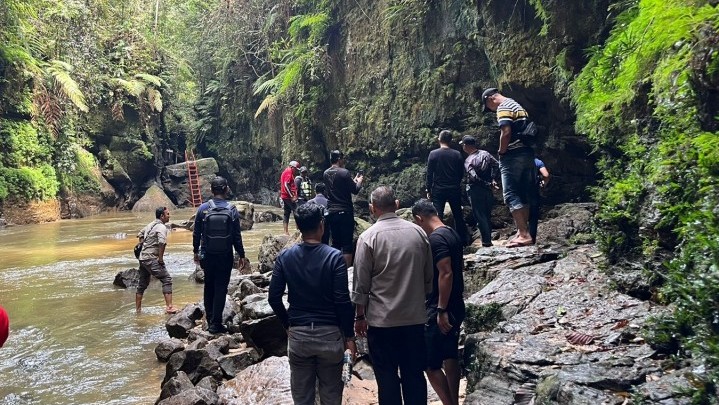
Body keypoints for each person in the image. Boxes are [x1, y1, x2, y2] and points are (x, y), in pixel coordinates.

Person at [268, 203, 357, 405]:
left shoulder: (285, 256)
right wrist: (349, 336)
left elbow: (274, 297)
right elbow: (342, 301)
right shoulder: (334, 257)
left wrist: (287, 324)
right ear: (321, 225)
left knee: (302, 398)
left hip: (299, 336)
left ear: (298, 228)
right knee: (331, 396)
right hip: (330, 335)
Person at [352, 186, 433, 405]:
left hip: (381, 322)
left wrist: (360, 316)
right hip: (414, 320)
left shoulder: (368, 237)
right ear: (396, 204)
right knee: (415, 376)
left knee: (386, 379)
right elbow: (428, 279)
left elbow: (361, 283)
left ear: (372, 208)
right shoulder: (418, 233)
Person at [411, 199, 465, 405]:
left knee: (431, 365)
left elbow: (446, 272)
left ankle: (448, 403)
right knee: (450, 356)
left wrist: (441, 309)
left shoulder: (436, 239)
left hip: (441, 307)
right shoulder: (451, 233)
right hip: (456, 303)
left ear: (419, 218)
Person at [193, 176, 250, 334]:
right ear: (226, 189)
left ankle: (210, 318)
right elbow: (236, 236)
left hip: (207, 254)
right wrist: (241, 254)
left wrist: (195, 252)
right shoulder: (231, 209)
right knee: (220, 287)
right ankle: (216, 323)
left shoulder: (203, 209)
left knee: (209, 285)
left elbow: (196, 234)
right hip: (225, 255)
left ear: (211, 190)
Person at [482, 87, 536, 247]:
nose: (491, 111)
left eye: (488, 107)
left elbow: (506, 131)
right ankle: (522, 231)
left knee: (511, 194)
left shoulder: (503, 107)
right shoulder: (516, 105)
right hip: (527, 152)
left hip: (512, 154)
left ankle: (524, 234)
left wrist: (501, 151)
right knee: (522, 193)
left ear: (491, 98)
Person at [426, 130, 469, 246]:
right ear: (450, 140)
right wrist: (457, 183)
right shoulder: (457, 154)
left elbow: (429, 174)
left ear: (439, 139)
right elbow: (461, 172)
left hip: (438, 189)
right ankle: (463, 241)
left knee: (437, 215)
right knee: (458, 215)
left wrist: (428, 189)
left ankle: (438, 241)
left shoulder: (433, 154)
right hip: (454, 188)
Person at [323, 150, 363, 266]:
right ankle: (345, 272)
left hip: (331, 211)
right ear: (339, 159)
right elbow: (355, 190)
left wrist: (353, 180)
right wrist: (359, 181)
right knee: (346, 244)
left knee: (335, 242)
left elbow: (339, 186)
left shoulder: (325, 173)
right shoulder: (344, 172)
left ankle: (334, 268)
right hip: (345, 211)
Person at [136, 206, 177, 314]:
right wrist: (160, 259)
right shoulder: (161, 227)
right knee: (167, 279)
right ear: (162, 216)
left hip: (142, 258)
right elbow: (162, 243)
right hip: (151, 259)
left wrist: (142, 245)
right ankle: (169, 307)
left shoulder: (150, 224)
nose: (169, 215)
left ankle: (138, 310)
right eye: (167, 214)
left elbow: (140, 234)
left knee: (142, 285)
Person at [460, 135, 499, 247]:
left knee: (480, 215)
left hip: (475, 190)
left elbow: (473, 177)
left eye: (463, 144)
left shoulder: (468, 160)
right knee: (487, 214)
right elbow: (496, 165)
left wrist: (487, 183)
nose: (462, 146)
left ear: (466, 146)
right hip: (487, 189)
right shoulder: (485, 153)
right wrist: (492, 179)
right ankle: (488, 239)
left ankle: (486, 242)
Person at [529, 158, 550, 244]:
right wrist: (543, 183)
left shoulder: (516, 160)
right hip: (533, 192)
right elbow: (546, 175)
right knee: (533, 218)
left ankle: (522, 237)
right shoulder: (537, 161)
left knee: (520, 215)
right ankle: (532, 240)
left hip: (519, 192)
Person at [280, 160, 301, 235]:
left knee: (287, 213)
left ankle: (286, 232)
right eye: (296, 169)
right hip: (287, 196)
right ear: (292, 167)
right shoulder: (289, 171)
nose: (296, 171)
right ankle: (298, 230)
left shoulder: (287, 172)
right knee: (297, 211)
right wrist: (292, 196)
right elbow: (286, 185)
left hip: (285, 196)